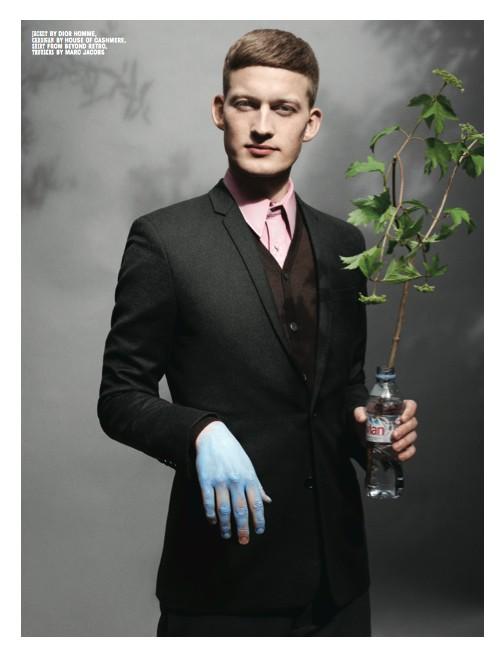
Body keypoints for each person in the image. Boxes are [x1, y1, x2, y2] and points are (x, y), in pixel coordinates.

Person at [97, 28, 418, 637]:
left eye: (284, 108)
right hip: (223, 580)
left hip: (339, 581)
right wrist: (199, 431)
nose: (263, 126)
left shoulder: (344, 244)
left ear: (311, 122)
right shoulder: (164, 240)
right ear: (220, 111)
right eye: (247, 104)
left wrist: (373, 426)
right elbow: (118, 398)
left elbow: (343, 387)